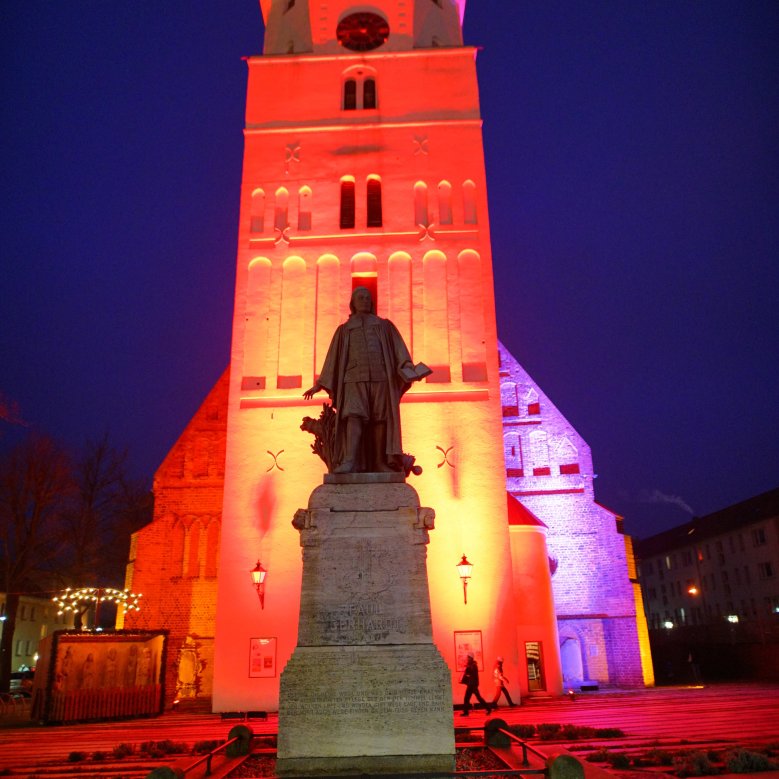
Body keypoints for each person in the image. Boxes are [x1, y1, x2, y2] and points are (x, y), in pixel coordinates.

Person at [303, 286, 428, 473]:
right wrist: (320, 384)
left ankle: (379, 462)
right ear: (352, 303)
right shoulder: (344, 330)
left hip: (381, 378)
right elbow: (333, 358)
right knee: (353, 417)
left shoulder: (384, 326)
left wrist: (408, 368)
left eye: (368, 297)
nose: (365, 300)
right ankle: (349, 461)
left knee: (380, 420)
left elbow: (399, 351)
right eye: (360, 297)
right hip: (353, 380)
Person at [460, 652, 492, 716]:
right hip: (472, 684)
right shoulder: (472, 665)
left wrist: (466, 669)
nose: (467, 658)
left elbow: (470, 673)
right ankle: (488, 709)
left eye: (468, 657)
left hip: (472, 685)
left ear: (471, 658)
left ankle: (466, 712)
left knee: (468, 698)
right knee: (472, 698)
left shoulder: (473, 665)